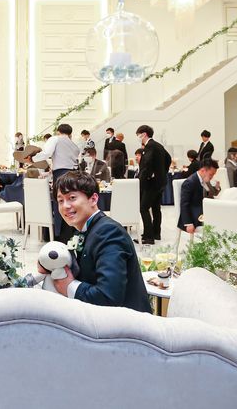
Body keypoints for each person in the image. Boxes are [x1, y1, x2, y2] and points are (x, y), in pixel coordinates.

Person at [45, 171, 150, 312]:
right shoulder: (82, 229)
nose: (65, 206)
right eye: (60, 201)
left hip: (126, 322)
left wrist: (69, 286)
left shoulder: (109, 232)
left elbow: (108, 297)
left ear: (93, 199)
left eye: (72, 198)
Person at [136, 125, 172, 244]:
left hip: (152, 183)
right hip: (160, 182)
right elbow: (168, 158)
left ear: (144, 134)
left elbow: (147, 164)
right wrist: (162, 172)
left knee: (143, 208)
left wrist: (145, 177)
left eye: (138, 135)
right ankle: (156, 233)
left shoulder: (150, 146)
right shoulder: (158, 145)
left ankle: (148, 236)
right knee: (156, 208)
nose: (138, 137)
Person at [177, 158, 219, 234]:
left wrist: (216, 187)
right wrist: (188, 223)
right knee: (218, 225)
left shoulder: (205, 179)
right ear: (203, 170)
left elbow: (213, 194)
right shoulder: (189, 182)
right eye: (211, 174)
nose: (212, 177)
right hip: (195, 216)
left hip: (205, 211)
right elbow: (184, 204)